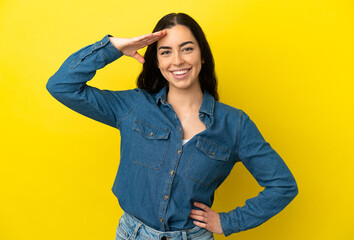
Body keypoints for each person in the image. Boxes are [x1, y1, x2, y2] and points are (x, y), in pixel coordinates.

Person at [46, 12, 298, 240]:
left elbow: (283, 185)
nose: (177, 60)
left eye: (187, 49)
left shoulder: (235, 124)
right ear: (156, 61)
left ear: (202, 55)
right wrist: (113, 47)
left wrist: (229, 222)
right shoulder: (133, 106)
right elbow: (61, 85)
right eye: (165, 51)